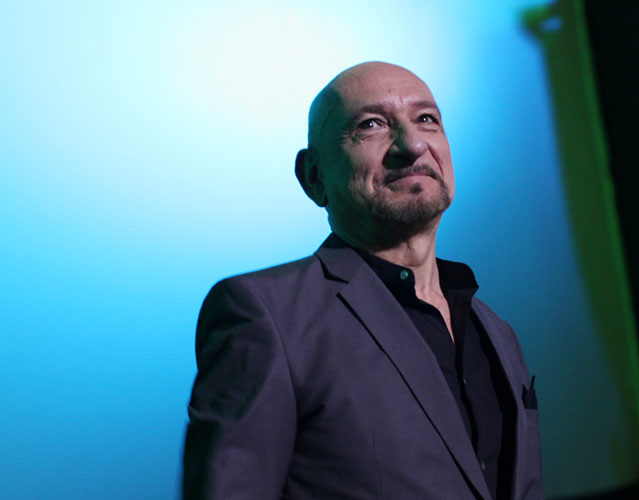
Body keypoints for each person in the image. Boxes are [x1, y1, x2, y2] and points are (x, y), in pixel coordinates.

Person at [183, 61, 543, 500]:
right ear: (314, 176)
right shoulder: (267, 314)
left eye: (426, 119)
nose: (412, 145)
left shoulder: (498, 333)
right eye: (371, 125)